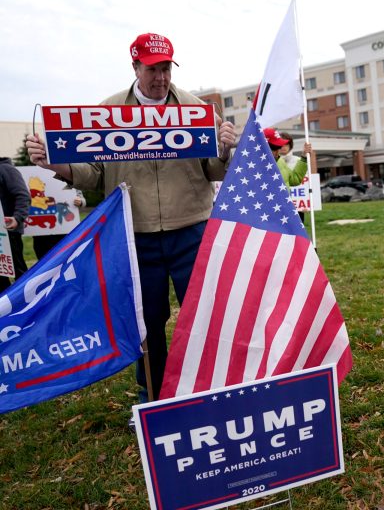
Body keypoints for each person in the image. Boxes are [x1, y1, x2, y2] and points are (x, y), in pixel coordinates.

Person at [25, 32, 236, 405]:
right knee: (147, 321)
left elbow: (213, 170)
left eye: (166, 68)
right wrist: (53, 162)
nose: (161, 78)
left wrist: (225, 149)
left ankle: (209, 389)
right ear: (135, 66)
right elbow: (94, 174)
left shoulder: (196, 109)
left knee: (203, 316)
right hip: (134, 234)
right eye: (153, 69)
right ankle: (152, 396)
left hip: (192, 228)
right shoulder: (107, 112)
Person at [266, 128, 313, 222]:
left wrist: (304, 157)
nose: (278, 151)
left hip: (285, 212)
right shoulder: (255, 166)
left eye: (279, 147)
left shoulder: (280, 161)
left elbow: (294, 179)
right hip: (269, 216)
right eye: (274, 148)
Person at [0, 157, 31, 292]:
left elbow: (23, 195)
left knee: (18, 271)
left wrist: (17, 218)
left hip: (8, 231)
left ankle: (27, 301)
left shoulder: (6, 169)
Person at [32, 190, 86, 260]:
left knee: (65, 257)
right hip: (41, 232)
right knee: (43, 257)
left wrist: (80, 201)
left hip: (64, 231)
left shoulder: (68, 181)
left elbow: (81, 199)